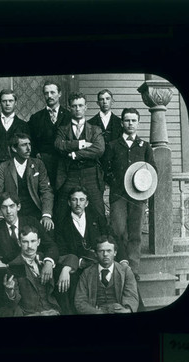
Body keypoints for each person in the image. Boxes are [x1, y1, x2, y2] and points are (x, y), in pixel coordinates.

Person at [102, 108, 157, 275]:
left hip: (138, 197)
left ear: (138, 123)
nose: (130, 124)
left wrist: (141, 183)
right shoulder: (112, 145)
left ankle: (132, 270)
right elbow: (105, 169)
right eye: (127, 120)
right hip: (118, 195)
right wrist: (117, 181)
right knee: (118, 230)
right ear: (122, 123)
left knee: (135, 232)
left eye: (133, 120)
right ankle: (120, 267)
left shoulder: (145, 146)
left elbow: (152, 169)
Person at [0, 192, 58, 310]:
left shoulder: (31, 222)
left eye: (12, 206)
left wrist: (49, 262)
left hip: (35, 270)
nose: (8, 211)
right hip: (14, 274)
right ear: (0, 209)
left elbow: (51, 245)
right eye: (4, 207)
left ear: (18, 207)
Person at [54, 186, 110, 313]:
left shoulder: (97, 218)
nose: (78, 203)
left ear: (87, 202)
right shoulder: (62, 223)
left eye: (81, 199)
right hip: (77, 267)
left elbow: (110, 238)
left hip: (98, 263)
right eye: (74, 200)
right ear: (69, 202)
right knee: (70, 283)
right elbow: (61, 250)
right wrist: (77, 263)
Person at [54, 91, 105, 221]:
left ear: (86, 107)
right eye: (74, 106)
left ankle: (103, 240)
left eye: (80, 105)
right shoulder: (62, 129)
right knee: (61, 211)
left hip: (90, 174)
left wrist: (75, 154)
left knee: (98, 210)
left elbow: (99, 149)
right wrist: (82, 144)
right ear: (70, 108)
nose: (78, 109)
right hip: (69, 174)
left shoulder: (95, 129)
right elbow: (59, 145)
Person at [3, 225, 72, 316]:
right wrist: (10, 292)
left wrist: (66, 270)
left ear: (38, 242)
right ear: (19, 243)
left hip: (53, 310)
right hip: (30, 313)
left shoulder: (46, 259)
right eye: (25, 242)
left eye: (33, 241)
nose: (30, 246)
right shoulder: (15, 265)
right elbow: (15, 301)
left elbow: (72, 258)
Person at [0, 133, 54, 230]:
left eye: (29, 144)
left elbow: (46, 190)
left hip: (35, 212)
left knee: (47, 232)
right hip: (12, 213)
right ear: (14, 149)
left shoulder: (38, 164)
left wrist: (46, 214)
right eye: (24, 145)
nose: (29, 149)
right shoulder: (4, 167)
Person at [74, 235, 139, 314]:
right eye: (101, 251)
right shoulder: (87, 273)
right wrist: (97, 312)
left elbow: (131, 295)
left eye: (109, 251)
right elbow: (80, 301)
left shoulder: (125, 272)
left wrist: (127, 310)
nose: (105, 254)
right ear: (95, 254)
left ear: (115, 253)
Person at [28, 80, 71, 187]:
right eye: (46, 93)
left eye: (52, 92)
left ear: (59, 94)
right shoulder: (36, 118)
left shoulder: (69, 116)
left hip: (64, 163)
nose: (49, 96)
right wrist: (37, 154)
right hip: (43, 164)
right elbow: (30, 140)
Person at [0, 89, 30, 176]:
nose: (7, 104)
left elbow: (27, 149)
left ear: (16, 103)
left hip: (18, 167)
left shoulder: (23, 125)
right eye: (4, 101)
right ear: (0, 103)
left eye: (10, 101)